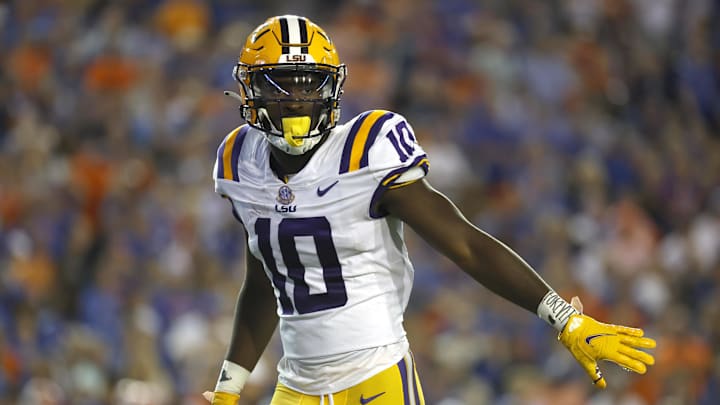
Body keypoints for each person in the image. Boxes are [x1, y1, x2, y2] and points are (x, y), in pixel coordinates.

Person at [203, 15, 656, 405]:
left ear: (332, 87)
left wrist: (564, 317)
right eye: (280, 87)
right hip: (296, 386)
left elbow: (465, 244)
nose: (296, 100)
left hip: (375, 380)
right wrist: (230, 385)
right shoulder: (239, 163)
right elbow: (265, 275)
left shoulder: (365, 152)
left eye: (309, 85)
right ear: (251, 91)